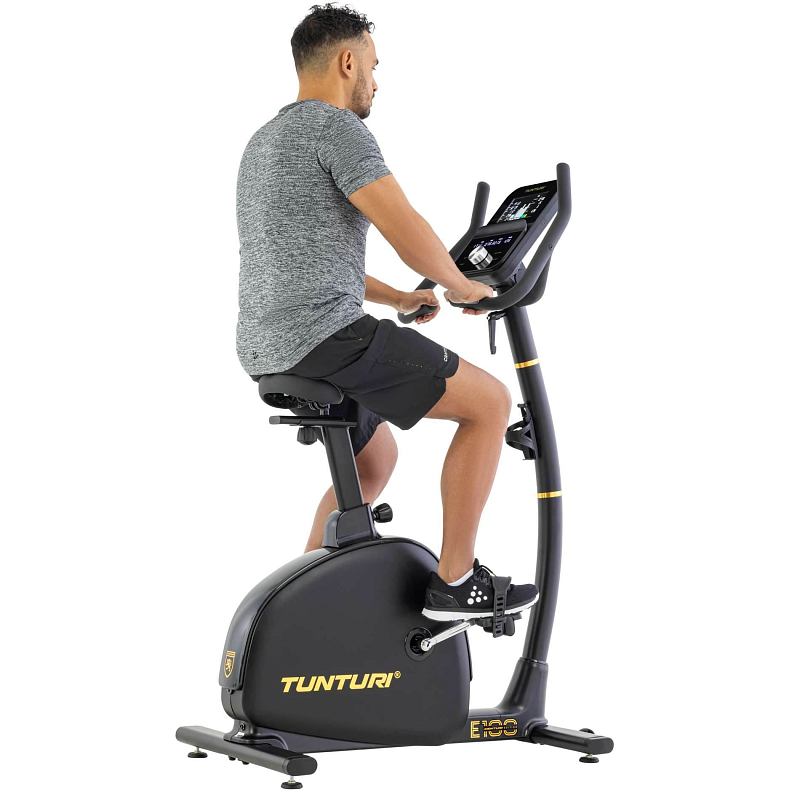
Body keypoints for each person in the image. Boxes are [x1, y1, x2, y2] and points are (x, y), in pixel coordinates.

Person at [236, 3, 536, 621]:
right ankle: (456, 583)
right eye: (374, 66)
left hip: (268, 345)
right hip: (325, 337)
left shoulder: (263, 142)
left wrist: (399, 297)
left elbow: (301, 263)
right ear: (348, 61)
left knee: (376, 459)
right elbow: (406, 228)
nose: (377, 81)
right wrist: (461, 285)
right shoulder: (337, 130)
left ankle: (303, 609)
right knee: (489, 404)